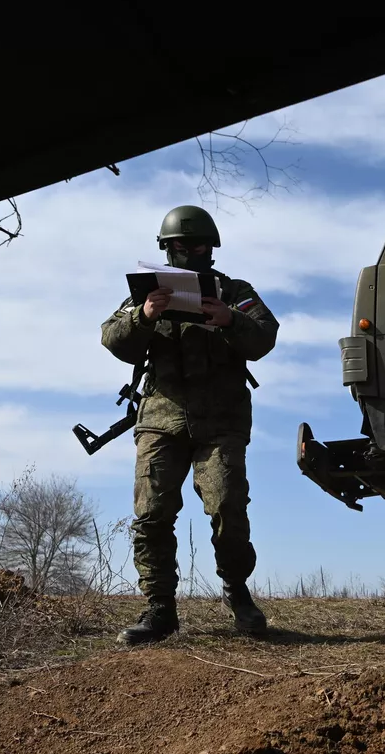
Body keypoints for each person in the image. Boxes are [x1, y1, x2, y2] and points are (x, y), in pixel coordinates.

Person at [101, 205, 279, 645]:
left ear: (211, 248)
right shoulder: (147, 291)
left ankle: (238, 596)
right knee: (152, 514)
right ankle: (160, 608)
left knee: (227, 506)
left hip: (221, 419)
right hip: (161, 418)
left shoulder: (235, 291)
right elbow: (112, 338)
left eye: (198, 246)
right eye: (181, 246)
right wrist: (144, 314)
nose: (190, 252)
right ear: (166, 248)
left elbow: (265, 334)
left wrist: (230, 318)